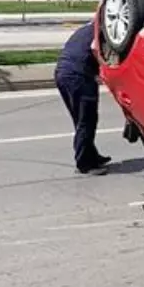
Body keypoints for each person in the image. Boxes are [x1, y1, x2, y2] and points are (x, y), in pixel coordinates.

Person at [55, 22, 112, 175]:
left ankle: (91, 156)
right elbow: (97, 50)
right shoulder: (103, 31)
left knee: (80, 119)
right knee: (87, 120)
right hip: (79, 76)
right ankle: (85, 164)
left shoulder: (88, 28)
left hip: (63, 72)